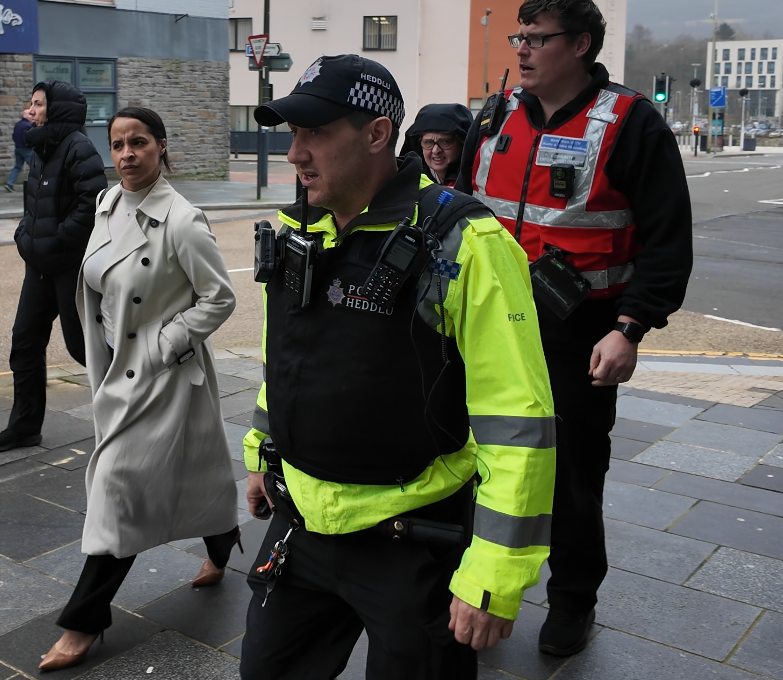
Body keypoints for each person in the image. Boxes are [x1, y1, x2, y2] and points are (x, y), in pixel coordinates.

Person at [239, 54, 556, 680]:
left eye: (315, 134)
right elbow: (289, 357)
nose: (296, 154)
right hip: (300, 524)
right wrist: (262, 452)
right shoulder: (298, 227)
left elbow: (517, 420)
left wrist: (493, 573)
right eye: (292, 135)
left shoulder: (464, 244)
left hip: (413, 539)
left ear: (378, 134)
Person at [456, 0, 693, 657]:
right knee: (472, 459)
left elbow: (667, 240)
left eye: (538, 38)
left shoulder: (631, 123)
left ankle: (573, 601)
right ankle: (476, 585)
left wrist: (631, 327)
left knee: (571, 478)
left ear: (582, 43)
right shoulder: (495, 115)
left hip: (577, 333)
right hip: (485, 324)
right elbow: (458, 210)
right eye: (518, 36)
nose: (522, 49)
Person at [38, 106, 240, 671]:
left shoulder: (182, 219)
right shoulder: (107, 203)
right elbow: (99, 286)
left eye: (139, 143)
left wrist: (163, 343)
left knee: (118, 488)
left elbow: (220, 297)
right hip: (116, 367)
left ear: (161, 147)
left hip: (162, 375)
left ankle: (84, 622)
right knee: (194, 474)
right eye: (118, 144)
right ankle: (223, 543)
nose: (127, 154)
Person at [0, 81, 107, 453]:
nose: (30, 110)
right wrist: (25, 235)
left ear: (58, 110)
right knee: (25, 343)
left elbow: (93, 203)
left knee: (84, 349)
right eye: (31, 103)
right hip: (38, 267)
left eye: (38, 104)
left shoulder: (78, 148)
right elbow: (34, 204)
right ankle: (24, 427)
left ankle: (133, 414)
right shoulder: (41, 147)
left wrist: (56, 242)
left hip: (69, 268)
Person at [399, 103, 473, 186]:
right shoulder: (410, 181)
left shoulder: (474, 181)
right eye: (428, 142)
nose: (436, 150)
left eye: (445, 142)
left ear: (462, 144)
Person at [4, 109, 33, 193]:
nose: (31, 116)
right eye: (30, 114)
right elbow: (29, 138)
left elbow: (14, 136)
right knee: (34, 167)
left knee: (17, 167)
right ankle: (37, 184)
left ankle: (10, 183)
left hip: (18, 148)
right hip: (26, 150)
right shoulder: (27, 125)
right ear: (25, 115)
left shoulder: (18, 124)